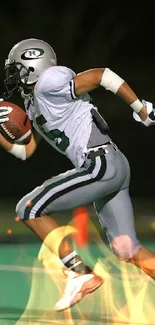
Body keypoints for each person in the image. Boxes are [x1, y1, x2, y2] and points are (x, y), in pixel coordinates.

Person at [1, 38, 155, 312]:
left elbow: (101, 76)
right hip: (112, 164)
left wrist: (140, 108)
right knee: (128, 251)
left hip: (100, 163)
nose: (14, 75)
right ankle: (80, 272)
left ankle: (78, 271)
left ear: (34, 65)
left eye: (18, 68)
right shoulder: (36, 103)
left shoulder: (50, 81)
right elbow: (25, 152)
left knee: (28, 208)